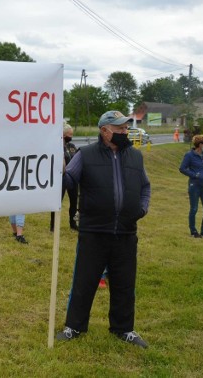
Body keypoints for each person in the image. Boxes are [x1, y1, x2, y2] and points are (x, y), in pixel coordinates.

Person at [55, 110, 151, 348]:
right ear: (105, 131)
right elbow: (68, 181)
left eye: (125, 128)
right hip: (94, 231)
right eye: (120, 129)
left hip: (126, 232)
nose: (125, 132)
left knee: (124, 284)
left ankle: (123, 328)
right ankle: (74, 326)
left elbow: (145, 186)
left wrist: (141, 209)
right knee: (84, 282)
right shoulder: (85, 155)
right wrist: (55, 168)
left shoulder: (135, 157)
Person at [50, 123, 79, 231]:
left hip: (73, 178)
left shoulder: (71, 146)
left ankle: (73, 223)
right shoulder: (57, 146)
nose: (70, 136)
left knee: (74, 201)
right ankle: (53, 225)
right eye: (69, 134)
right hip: (60, 178)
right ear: (63, 134)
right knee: (57, 202)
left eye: (71, 134)